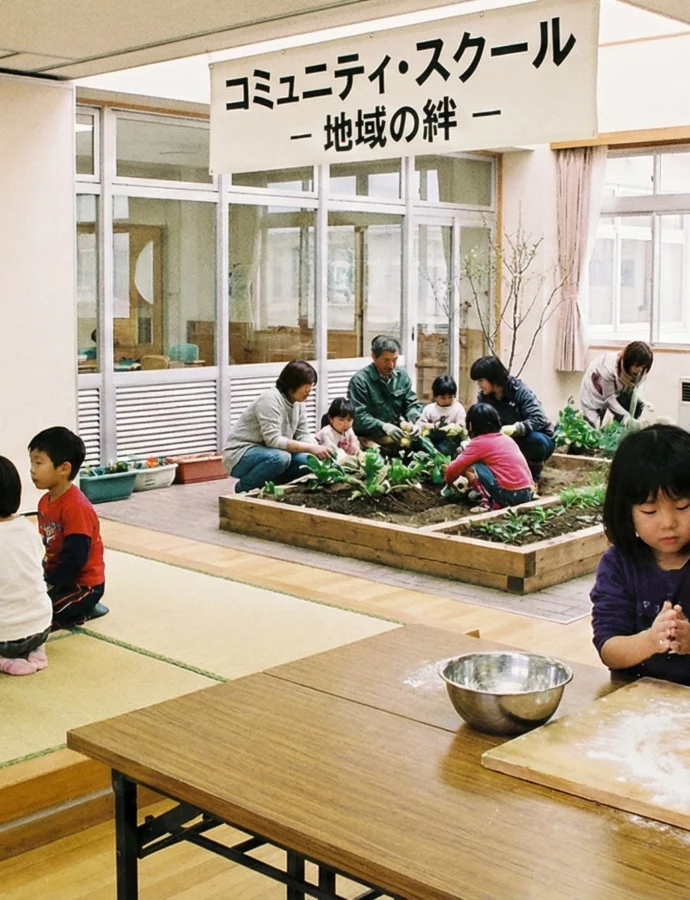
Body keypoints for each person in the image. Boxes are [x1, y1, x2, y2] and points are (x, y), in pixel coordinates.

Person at [591, 424, 690, 686]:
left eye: (682, 506)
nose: (668, 522)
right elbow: (609, 649)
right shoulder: (619, 565)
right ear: (626, 511)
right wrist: (650, 640)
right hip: (634, 701)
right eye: (649, 511)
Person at [28, 427, 108, 630]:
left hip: (83, 585)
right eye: (31, 462)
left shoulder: (76, 507)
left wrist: (50, 583)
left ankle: (85, 609)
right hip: (55, 576)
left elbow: (77, 557)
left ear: (63, 468)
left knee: (40, 614)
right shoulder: (44, 501)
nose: (32, 469)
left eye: (38, 462)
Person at [223, 360, 333, 493]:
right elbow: (273, 440)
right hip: (240, 454)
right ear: (292, 384)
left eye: (311, 384)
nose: (309, 389)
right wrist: (311, 448)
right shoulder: (270, 400)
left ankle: (269, 487)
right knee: (280, 458)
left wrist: (320, 450)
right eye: (306, 384)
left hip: (271, 451)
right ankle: (244, 488)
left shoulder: (299, 403)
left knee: (309, 462)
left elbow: (302, 434)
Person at [0, 456, 52, 675]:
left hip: (5, 635)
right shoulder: (27, 528)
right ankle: (35, 650)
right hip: (40, 627)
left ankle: (4, 660)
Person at [470, 356, 555, 483]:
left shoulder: (519, 390)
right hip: (506, 440)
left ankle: (533, 478)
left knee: (535, 442)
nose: (479, 385)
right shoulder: (484, 397)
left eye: (481, 380)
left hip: (535, 438)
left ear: (493, 378)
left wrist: (516, 428)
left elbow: (538, 419)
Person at [444, 403, 534, 511]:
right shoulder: (506, 439)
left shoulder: (479, 443)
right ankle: (487, 495)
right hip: (527, 493)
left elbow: (454, 469)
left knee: (470, 466)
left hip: (510, 495)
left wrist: (448, 481)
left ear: (471, 425)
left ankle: (489, 503)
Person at [348, 335, 424, 450]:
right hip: (369, 438)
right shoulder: (360, 381)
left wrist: (415, 421)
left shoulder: (402, 376)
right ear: (373, 357)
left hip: (396, 435)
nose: (391, 365)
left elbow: (411, 404)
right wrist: (384, 426)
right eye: (386, 360)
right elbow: (358, 417)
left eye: (395, 359)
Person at [579, 341, 653, 428]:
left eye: (643, 366)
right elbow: (610, 399)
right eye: (638, 366)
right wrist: (627, 417)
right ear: (628, 362)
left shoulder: (641, 371)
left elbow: (636, 391)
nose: (640, 369)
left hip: (617, 392)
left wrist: (643, 401)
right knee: (592, 427)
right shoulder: (607, 369)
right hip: (593, 395)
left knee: (628, 418)